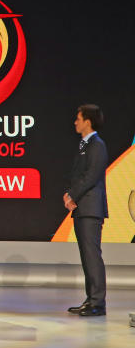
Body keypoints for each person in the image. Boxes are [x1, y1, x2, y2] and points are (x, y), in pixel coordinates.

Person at [64, 104, 108, 317]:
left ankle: (98, 302)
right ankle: (91, 299)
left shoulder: (96, 145)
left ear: (87, 121)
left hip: (91, 208)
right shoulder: (85, 145)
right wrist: (70, 193)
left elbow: (91, 176)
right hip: (83, 207)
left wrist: (73, 195)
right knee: (86, 256)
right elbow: (79, 175)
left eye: (78, 118)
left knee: (92, 256)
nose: (75, 122)